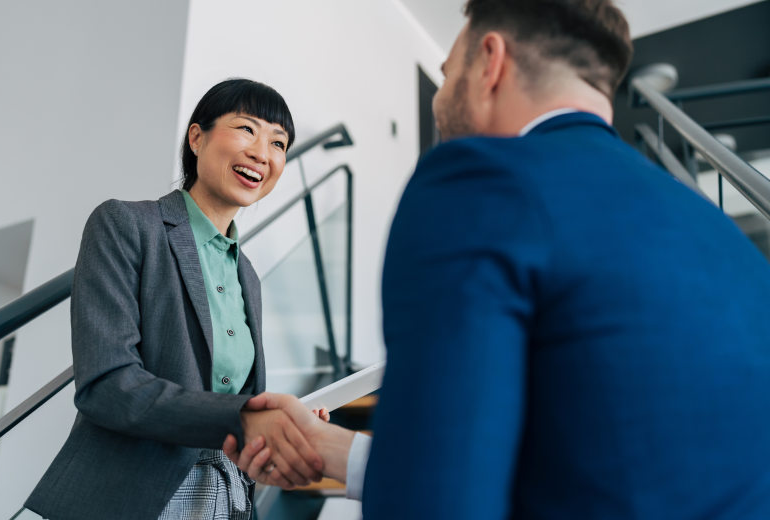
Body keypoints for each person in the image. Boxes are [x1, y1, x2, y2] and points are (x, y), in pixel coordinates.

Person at [229, 1, 770, 518]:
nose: (441, 99)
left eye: (447, 72)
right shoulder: (722, 231)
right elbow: (595, 459)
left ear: (489, 61)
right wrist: (334, 450)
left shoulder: (479, 182)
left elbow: (439, 502)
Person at [24, 79, 324, 520]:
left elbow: (224, 397)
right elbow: (106, 386)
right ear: (197, 137)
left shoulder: (249, 277)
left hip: (227, 498)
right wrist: (244, 415)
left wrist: (278, 425)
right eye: (246, 129)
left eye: (278, 142)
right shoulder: (125, 225)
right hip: (133, 497)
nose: (263, 152)